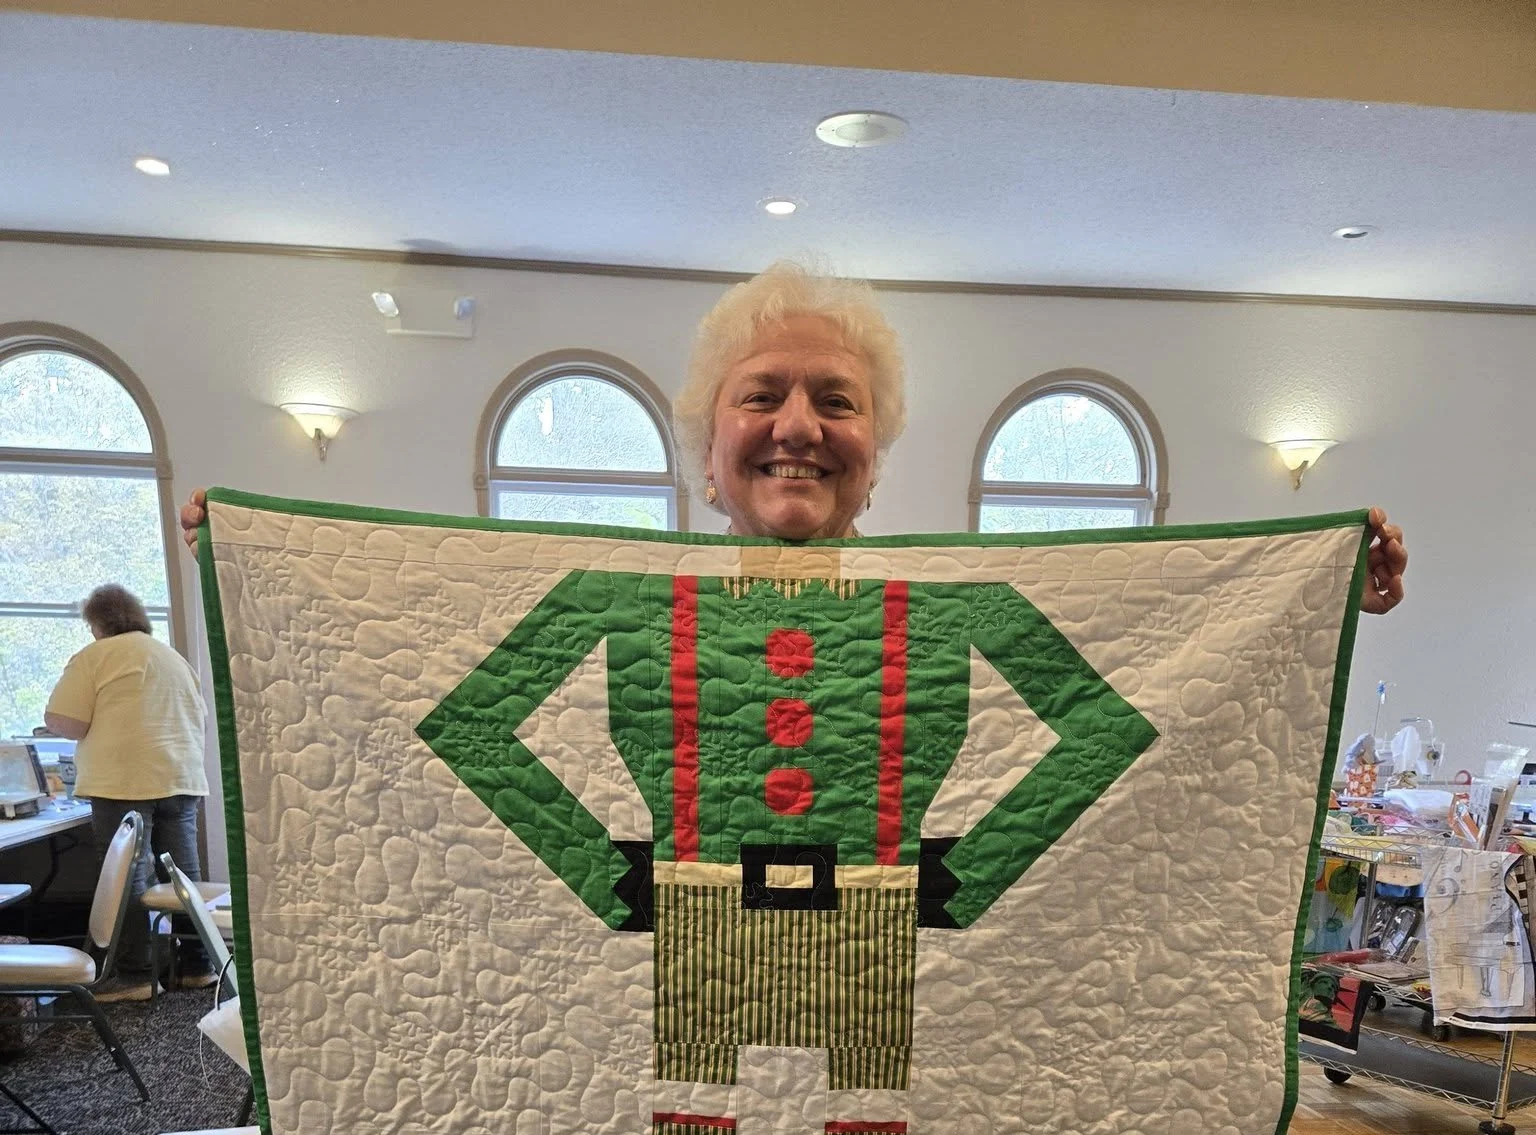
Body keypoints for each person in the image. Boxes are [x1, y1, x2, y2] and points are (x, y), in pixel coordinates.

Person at [180, 262, 1408, 603]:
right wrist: (266, 563)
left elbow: (1151, 673)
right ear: (706, 443)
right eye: (761, 394)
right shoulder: (603, 590)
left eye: (838, 400)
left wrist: (1308, 594)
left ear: (879, 445)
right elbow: (427, 648)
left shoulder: (950, 599)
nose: (798, 428)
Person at [43, 583, 212, 1000]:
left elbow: (67, 721)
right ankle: (196, 966)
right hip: (180, 776)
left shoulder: (95, 656)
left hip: (123, 779)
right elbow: (199, 716)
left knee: (128, 877)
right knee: (183, 877)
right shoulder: (172, 658)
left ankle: (136, 975)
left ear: (96, 623)